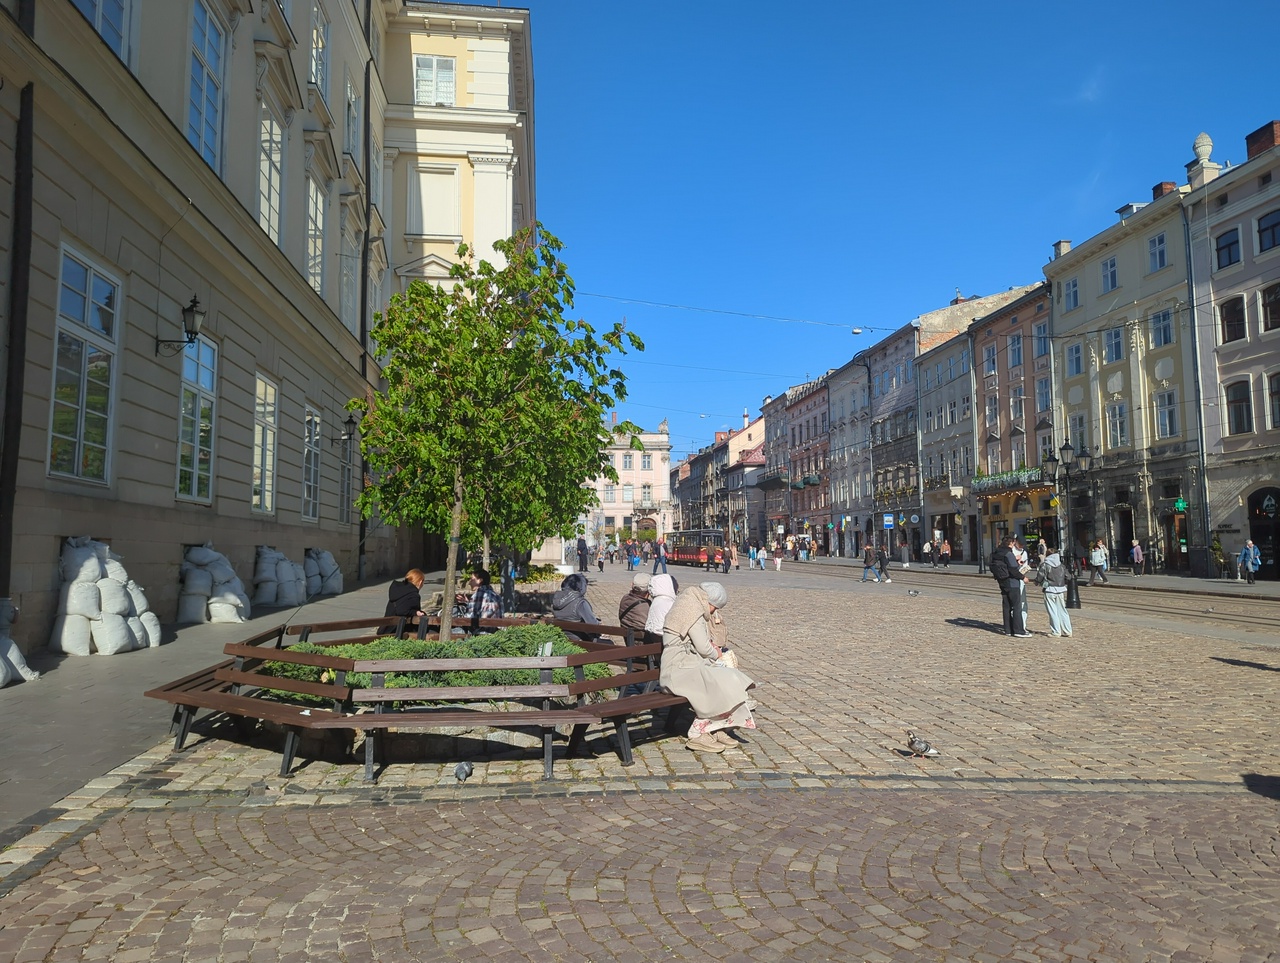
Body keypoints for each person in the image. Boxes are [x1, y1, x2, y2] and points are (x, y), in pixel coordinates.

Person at [659, 582, 757, 753]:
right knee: (720, 681)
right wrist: (717, 653)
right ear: (710, 603)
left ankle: (716, 727)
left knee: (726, 679)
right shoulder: (693, 611)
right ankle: (699, 734)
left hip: (685, 664)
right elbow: (703, 647)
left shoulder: (688, 602)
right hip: (679, 669)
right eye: (715, 608)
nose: (713, 613)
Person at [990, 536, 1031, 637]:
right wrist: (1023, 578)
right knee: (1017, 606)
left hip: (1002, 581)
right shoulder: (1009, 554)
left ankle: (1008, 629)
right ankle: (1018, 631)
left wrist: (1016, 562)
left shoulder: (997, 553)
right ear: (1011, 543)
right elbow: (1013, 570)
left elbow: (1005, 565)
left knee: (1006, 606)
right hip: (1012, 583)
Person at [1033, 544, 1072, 638]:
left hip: (1049, 589)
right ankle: (1067, 631)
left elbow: (1040, 576)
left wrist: (1037, 582)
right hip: (1060, 589)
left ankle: (1056, 632)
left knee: (1052, 611)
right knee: (1062, 611)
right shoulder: (1061, 565)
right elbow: (1068, 577)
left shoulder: (1045, 564)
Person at [550, 573, 600, 640]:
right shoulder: (581, 603)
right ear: (582, 587)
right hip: (579, 640)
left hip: (561, 638)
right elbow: (593, 625)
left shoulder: (556, 599)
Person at [618, 572, 651, 638]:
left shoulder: (625, 599)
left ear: (632, 585)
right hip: (644, 641)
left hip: (628, 639)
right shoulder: (646, 606)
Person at [1012, 537, 1031, 633]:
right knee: (1015, 603)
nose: (1021, 546)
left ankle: (1023, 625)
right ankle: (1015, 625)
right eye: (1020, 545)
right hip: (1013, 579)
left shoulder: (1024, 552)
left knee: (1023, 603)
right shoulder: (1011, 551)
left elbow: (1025, 565)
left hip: (1021, 579)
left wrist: (1025, 569)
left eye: (1023, 545)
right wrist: (1015, 560)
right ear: (1015, 542)